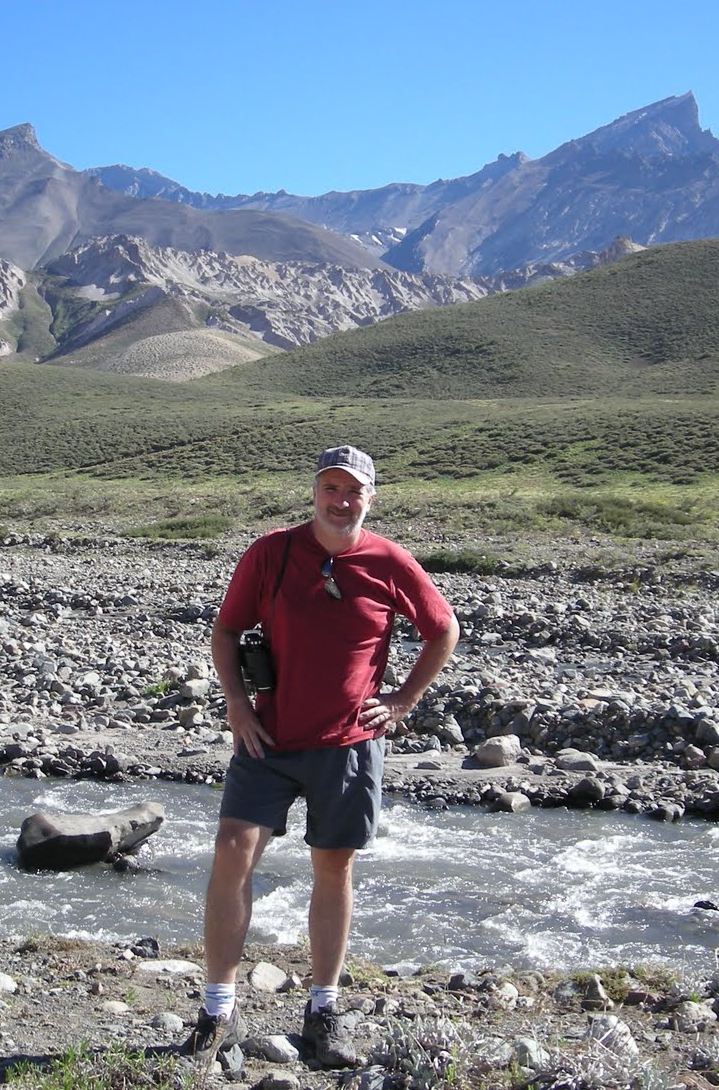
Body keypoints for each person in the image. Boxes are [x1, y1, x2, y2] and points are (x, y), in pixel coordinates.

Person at [189, 444, 460, 1067]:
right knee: (233, 850)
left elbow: (442, 627)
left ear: (371, 497)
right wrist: (236, 704)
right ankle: (217, 1007)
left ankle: (323, 1007)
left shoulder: (389, 560)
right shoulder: (272, 552)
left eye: (354, 492)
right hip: (268, 738)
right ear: (314, 493)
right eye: (331, 489)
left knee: (333, 867)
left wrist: (402, 700)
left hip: (348, 745)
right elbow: (226, 629)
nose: (342, 502)